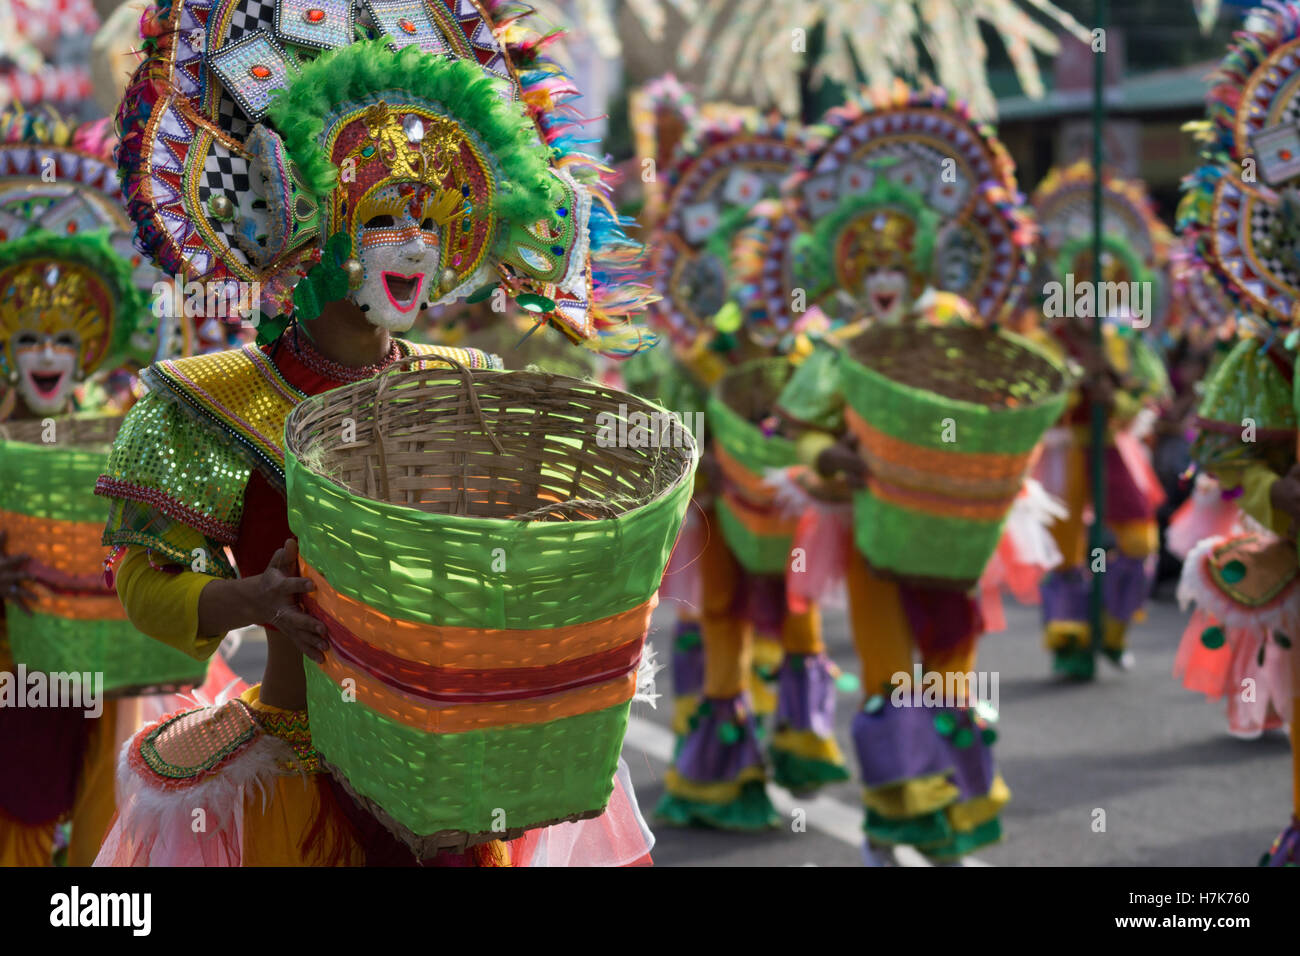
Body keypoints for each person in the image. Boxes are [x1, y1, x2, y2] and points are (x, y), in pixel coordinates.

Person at [95, 0, 656, 866]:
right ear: (313, 227)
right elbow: (142, 578)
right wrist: (248, 602)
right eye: (385, 218)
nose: (413, 245)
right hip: (298, 777)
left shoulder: (462, 391)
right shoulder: (216, 400)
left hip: (452, 774)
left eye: (433, 222)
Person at [749, 89, 1039, 863]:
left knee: (949, 674)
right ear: (841, 263)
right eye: (865, 259)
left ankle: (949, 819)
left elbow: (1005, 406)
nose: (882, 272)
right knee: (886, 678)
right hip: (871, 522)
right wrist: (831, 458)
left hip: (955, 526)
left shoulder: (956, 324)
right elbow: (796, 431)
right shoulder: (838, 341)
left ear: (923, 258)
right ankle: (894, 819)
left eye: (896, 256)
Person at [0, 108, 190, 866]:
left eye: (63, 340)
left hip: (101, 673)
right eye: (28, 340)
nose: (46, 356)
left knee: (100, 825)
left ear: (88, 352)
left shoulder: (114, 436)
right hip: (12, 673)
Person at [1027, 163, 1172, 680]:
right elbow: (1031, 399)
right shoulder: (1049, 339)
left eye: (1104, 281)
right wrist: (1071, 383)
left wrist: (1117, 393)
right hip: (1064, 450)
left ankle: (1111, 625)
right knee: (1062, 548)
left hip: (1112, 447)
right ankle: (1070, 637)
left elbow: (1152, 394)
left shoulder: (1124, 339)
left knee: (1138, 541)